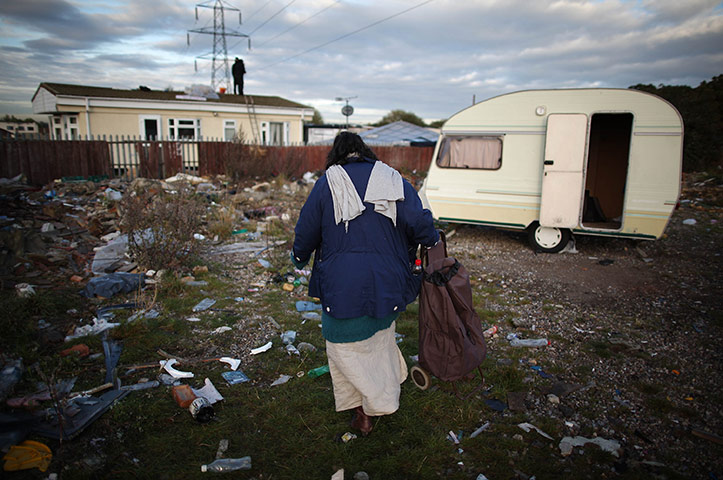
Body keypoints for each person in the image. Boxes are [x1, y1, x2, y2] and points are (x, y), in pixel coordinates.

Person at [291, 132, 438, 435]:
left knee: (344, 348)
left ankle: (364, 411)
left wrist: (298, 257)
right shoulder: (392, 179)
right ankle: (382, 396)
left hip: (340, 287)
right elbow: (421, 223)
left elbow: (306, 231)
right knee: (379, 341)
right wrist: (432, 241)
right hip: (389, 282)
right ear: (365, 152)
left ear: (337, 155)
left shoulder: (327, 184)